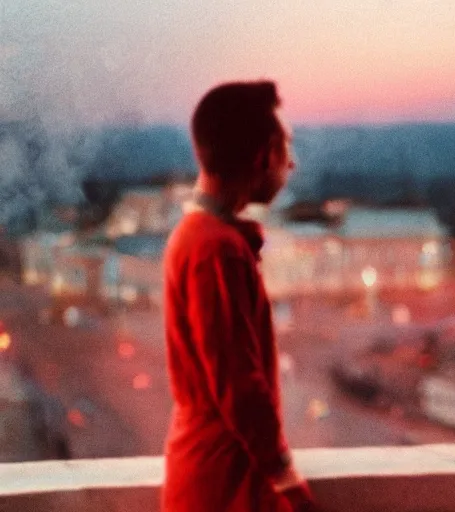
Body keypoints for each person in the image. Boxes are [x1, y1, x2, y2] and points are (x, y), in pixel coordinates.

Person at [162, 81, 316, 512]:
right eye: (286, 148)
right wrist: (285, 477)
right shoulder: (216, 247)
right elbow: (237, 382)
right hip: (223, 485)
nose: (292, 163)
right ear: (263, 155)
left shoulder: (197, 236)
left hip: (210, 475)